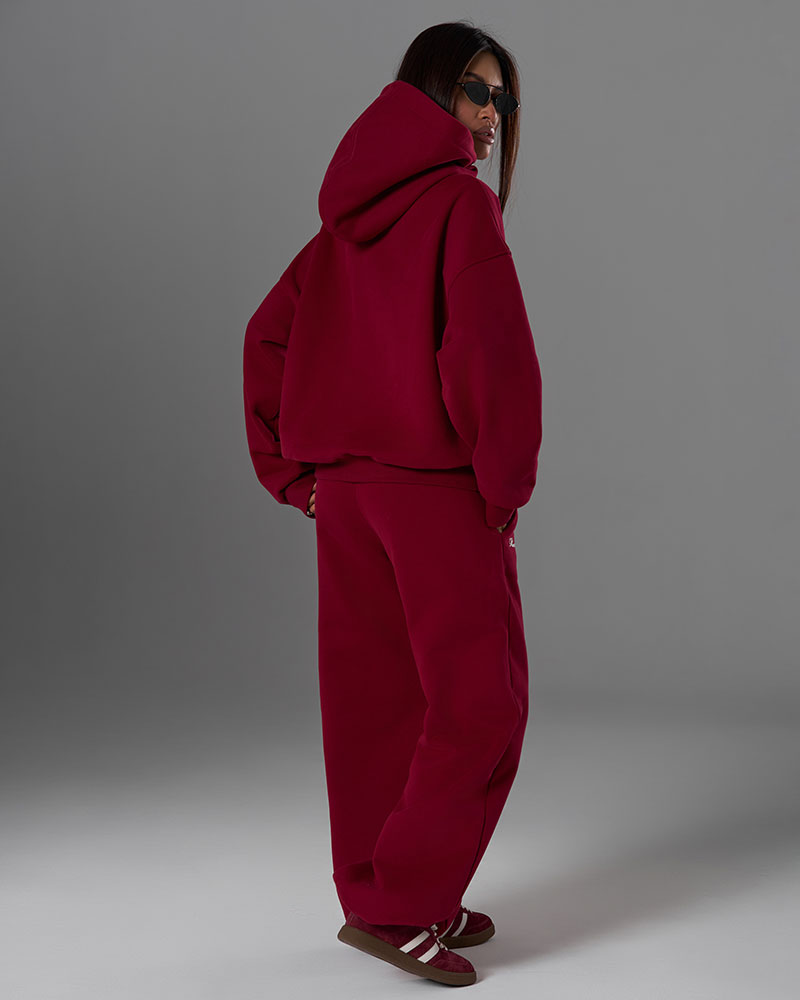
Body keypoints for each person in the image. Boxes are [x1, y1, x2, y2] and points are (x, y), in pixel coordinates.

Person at [242, 20, 542, 988]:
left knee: (379, 704)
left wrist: (294, 474)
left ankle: (395, 888)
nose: (490, 114)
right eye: (473, 91)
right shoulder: (460, 205)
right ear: (426, 92)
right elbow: (491, 358)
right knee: (479, 704)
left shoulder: (341, 225)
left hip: (348, 498)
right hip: (434, 495)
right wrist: (504, 487)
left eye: (501, 96)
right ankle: (400, 904)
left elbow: (266, 336)